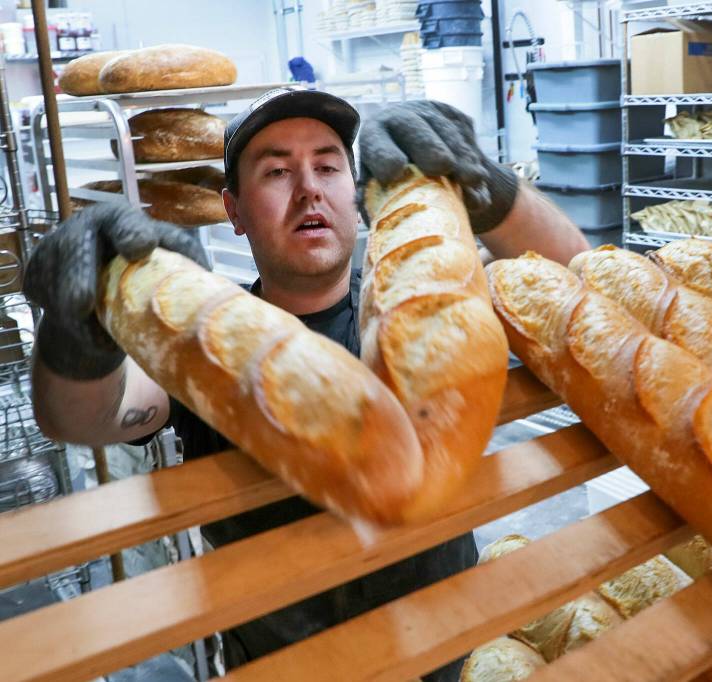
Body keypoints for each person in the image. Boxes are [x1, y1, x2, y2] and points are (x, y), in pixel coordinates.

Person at [26, 89, 588, 680]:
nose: (308, 188)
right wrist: (75, 336)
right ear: (234, 211)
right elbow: (85, 417)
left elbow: (572, 280)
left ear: (357, 192)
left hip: (446, 657)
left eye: (326, 165)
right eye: (275, 171)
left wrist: (490, 188)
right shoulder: (203, 345)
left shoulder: (429, 305)